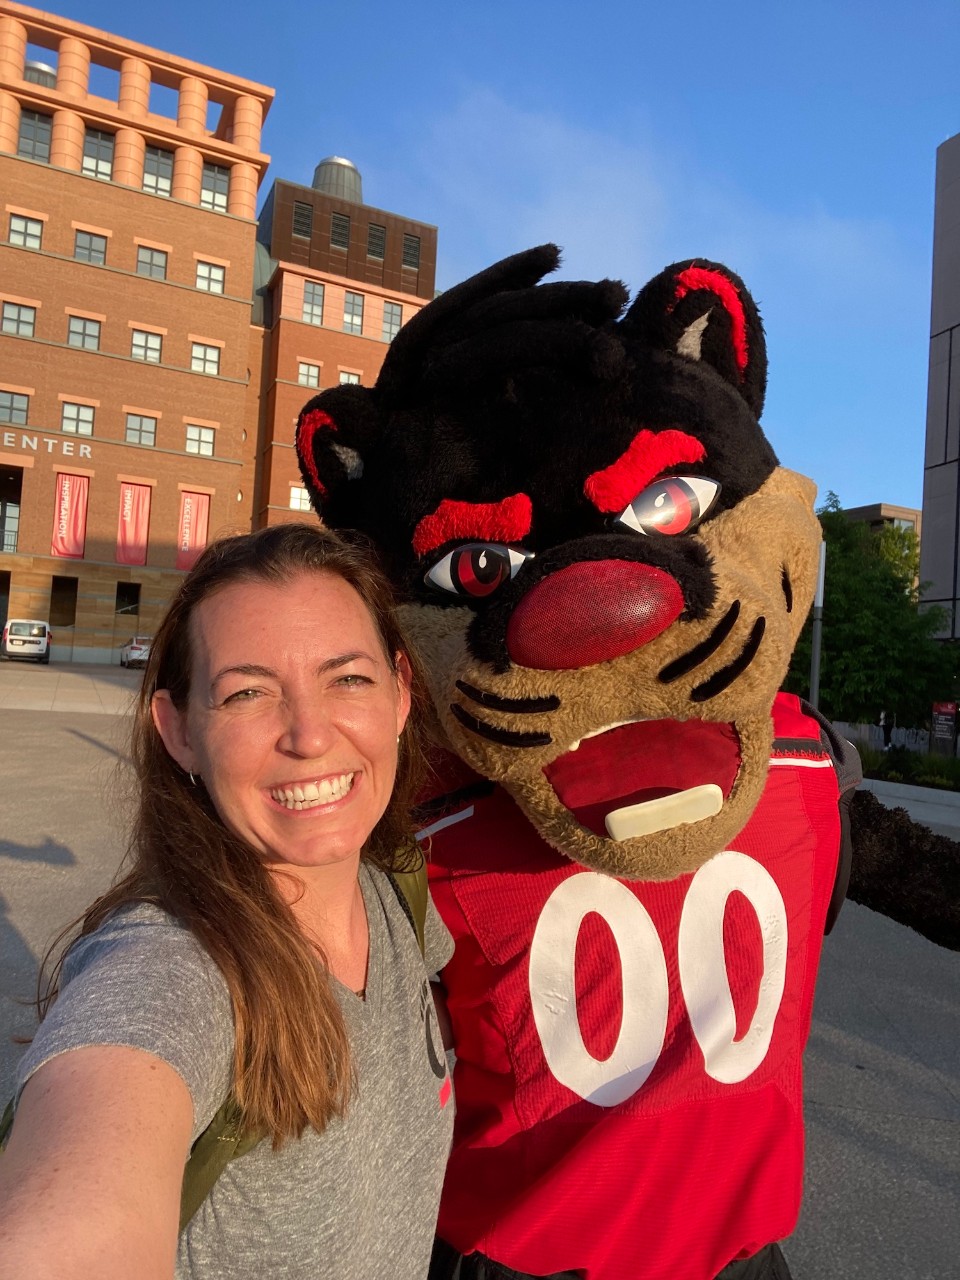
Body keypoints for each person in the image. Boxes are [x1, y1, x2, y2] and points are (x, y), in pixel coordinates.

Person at [0, 523, 454, 1280]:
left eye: (347, 679)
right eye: (248, 693)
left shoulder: (397, 890)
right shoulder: (167, 968)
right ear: (179, 731)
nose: (309, 735)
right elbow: (74, 1212)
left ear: (401, 694)